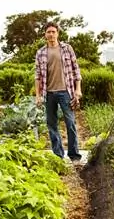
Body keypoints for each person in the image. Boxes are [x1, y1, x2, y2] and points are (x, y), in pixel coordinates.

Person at [35, 22, 83, 162]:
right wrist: (38, 95)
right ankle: (58, 155)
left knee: (70, 123)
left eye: (53, 32)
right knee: (52, 125)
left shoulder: (67, 49)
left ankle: (74, 155)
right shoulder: (41, 52)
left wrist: (78, 89)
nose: (51, 34)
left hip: (66, 92)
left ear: (57, 33)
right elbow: (37, 76)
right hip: (49, 93)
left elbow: (76, 70)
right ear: (45, 34)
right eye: (48, 32)